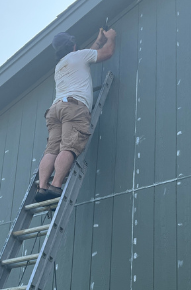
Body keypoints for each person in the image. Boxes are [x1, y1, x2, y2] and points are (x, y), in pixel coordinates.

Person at [35, 27, 117, 202]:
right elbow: (107, 53)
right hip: (73, 107)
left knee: (51, 150)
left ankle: (42, 187)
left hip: (54, 110)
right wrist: (110, 38)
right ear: (73, 45)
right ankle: (56, 186)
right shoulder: (79, 56)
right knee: (69, 147)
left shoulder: (60, 66)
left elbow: (87, 53)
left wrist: (98, 40)